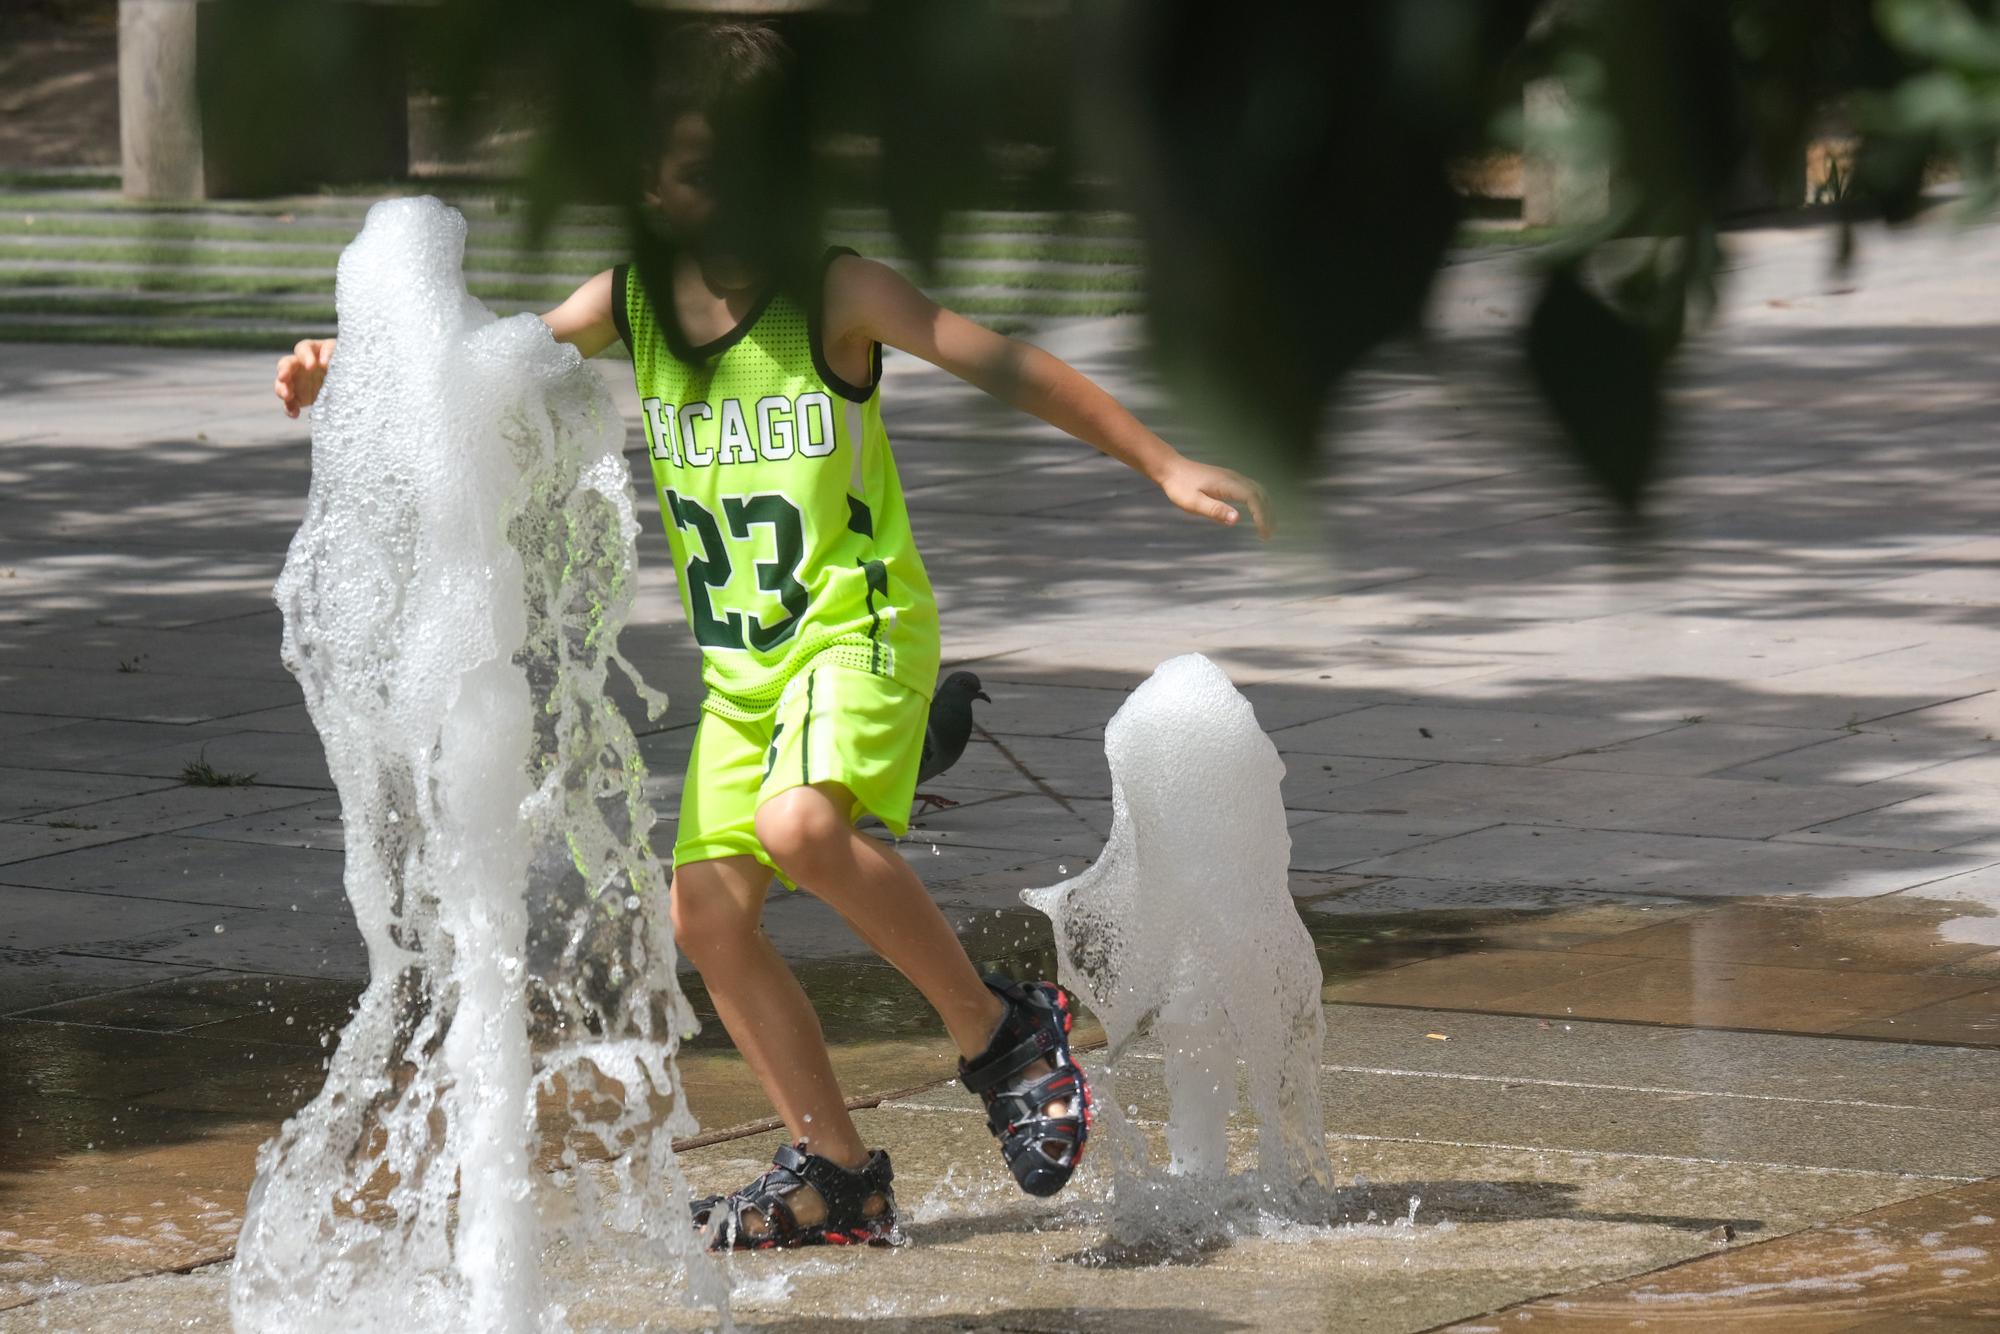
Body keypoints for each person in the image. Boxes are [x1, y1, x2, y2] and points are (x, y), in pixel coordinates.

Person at [275, 19, 1271, 1251]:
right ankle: (834, 1170)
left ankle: (1003, 1027)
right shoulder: (632, 302)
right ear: (652, 189)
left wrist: (1161, 461)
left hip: (857, 631)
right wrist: (351, 363)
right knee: (706, 915)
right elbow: (475, 367)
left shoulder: (832, 293)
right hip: (749, 671)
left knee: (803, 826)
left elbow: (1002, 362)